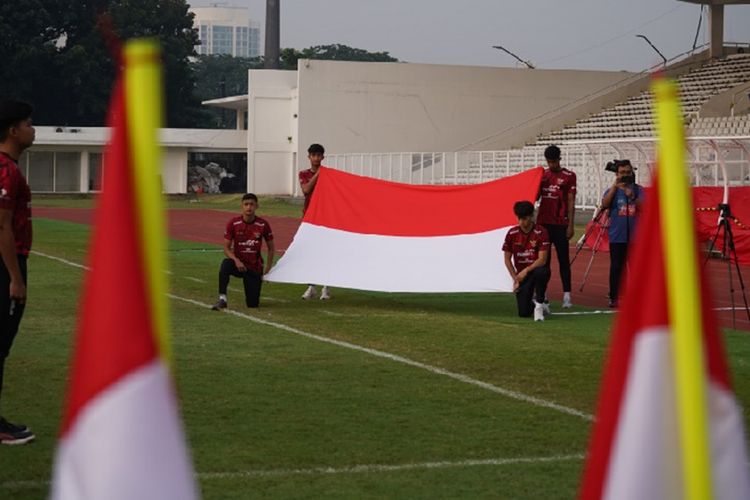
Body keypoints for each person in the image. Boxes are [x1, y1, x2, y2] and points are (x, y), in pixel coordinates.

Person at [0, 99, 35, 445]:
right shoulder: (6, 170)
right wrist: (15, 277)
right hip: (6, 264)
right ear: (13, 130)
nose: (32, 128)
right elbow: (3, 227)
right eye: (27, 123)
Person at [211, 193, 275, 310]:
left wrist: (268, 268)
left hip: (254, 267)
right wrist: (236, 261)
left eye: (252, 204)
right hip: (239, 265)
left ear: (257, 206)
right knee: (225, 264)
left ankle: (252, 292)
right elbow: (226, 247)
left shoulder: (263, 224)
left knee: (252, 304)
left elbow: (271, 247)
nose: (249, 207)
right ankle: (222, 299)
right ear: (241, 206)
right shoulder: (234, 223)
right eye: (246, 204)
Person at [537, 144, 576, 308]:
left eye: (554, 161)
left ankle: (567, 295)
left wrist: (570, 225)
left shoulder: (569, 176)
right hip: (544, 224)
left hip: (560, 223)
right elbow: (535, 196)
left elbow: (570, 200)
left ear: (559, 159)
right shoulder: (542, 176)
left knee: (563, 260)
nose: (551, 164)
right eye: (549, 162)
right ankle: (543, 294)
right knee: (544, 262)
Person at [600, 160, 643, 308]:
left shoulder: (638, 190)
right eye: (622, 173)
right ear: (617, 174)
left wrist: (631, 196)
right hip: (617, 235)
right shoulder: (612, 190)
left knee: (637, 267)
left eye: (628, 172)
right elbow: (605, 204)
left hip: (635, 236)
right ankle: (614, 296)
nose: (625, 175)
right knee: (616, 267)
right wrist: (615, 186)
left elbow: (645, 207)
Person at [502, 201, 552, 322]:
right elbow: (507, 259)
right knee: (523, 313)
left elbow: (542, 259)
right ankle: (535, 304)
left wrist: (526, 270)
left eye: (524, 218)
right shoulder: (512, 233)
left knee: (542, 272)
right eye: (519, 218)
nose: (521, 222)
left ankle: (540, 304)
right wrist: (516, 279)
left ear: (531, 216)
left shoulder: (541, 232)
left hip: (535, 270)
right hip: (522, 277)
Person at [298, 143, 331, 300]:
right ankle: (311, 286)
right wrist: (319, 174)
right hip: (309, 219)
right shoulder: (304, 173)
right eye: (314, 155)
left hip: (325, 218)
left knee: (325, 253)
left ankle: (326, 287)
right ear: (309, 157)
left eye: (319, 155)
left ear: (323, 157)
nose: (316, 158)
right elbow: (306, 189)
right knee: (310, 253)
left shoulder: (329, 175)